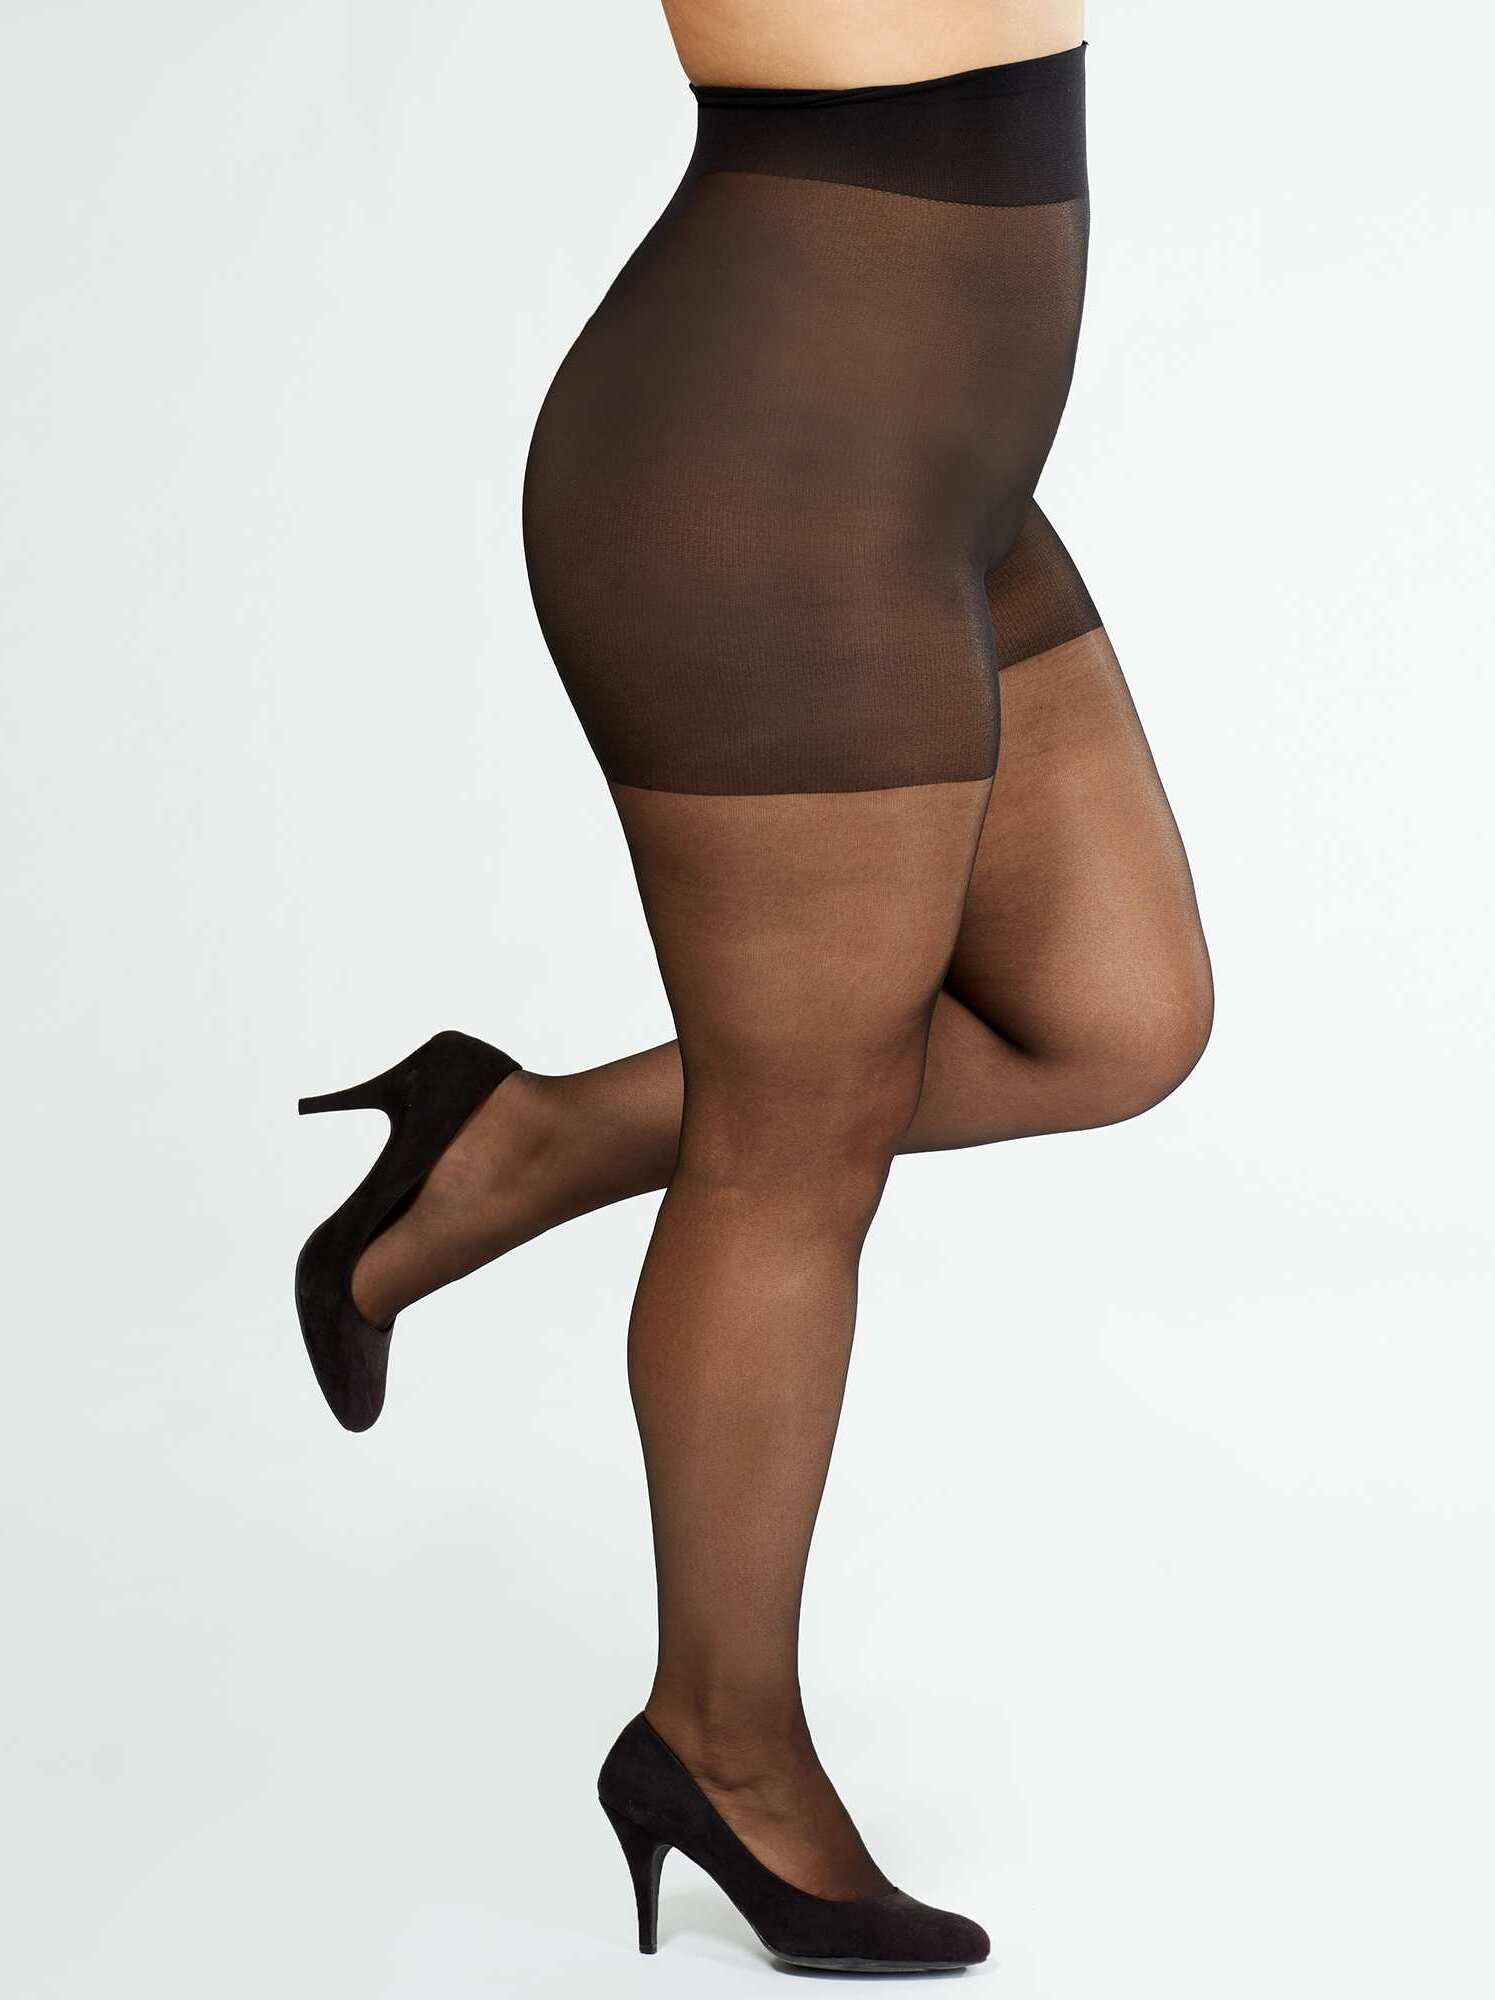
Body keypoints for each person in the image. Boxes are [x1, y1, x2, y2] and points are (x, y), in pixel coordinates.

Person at [296, 0, 1212, 1972]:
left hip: (939, 465)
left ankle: (522, 1140)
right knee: (794, 1148)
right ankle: (715, 1738)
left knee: (1116, 1019)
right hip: (761, 466)